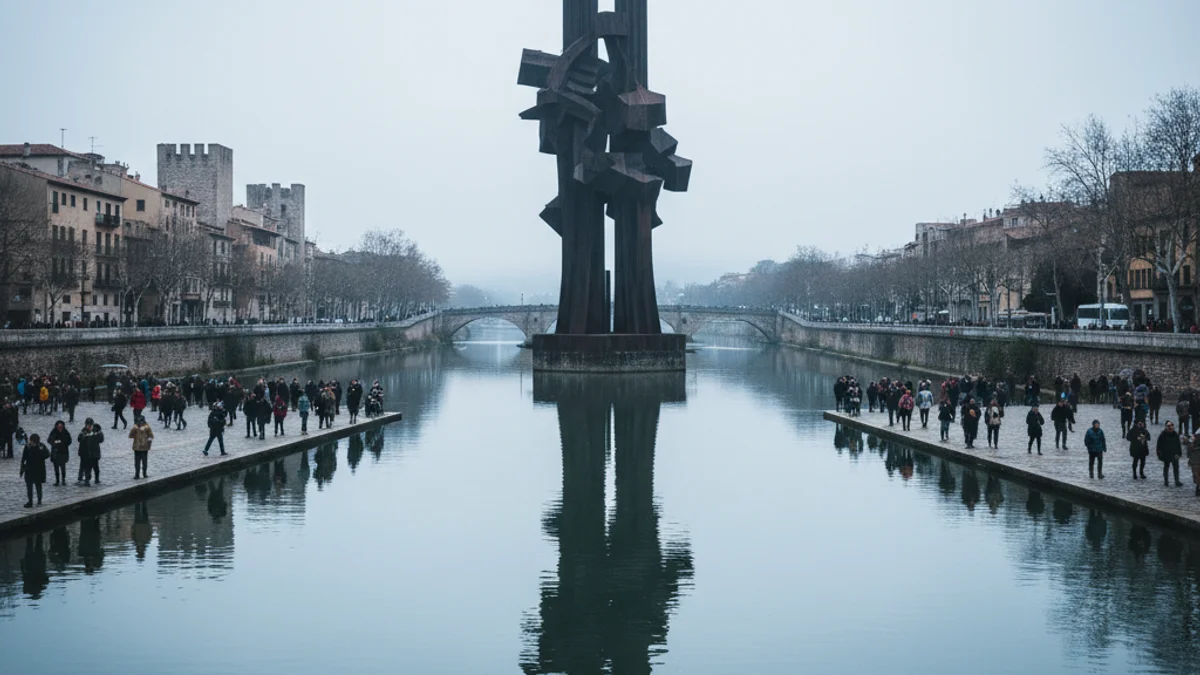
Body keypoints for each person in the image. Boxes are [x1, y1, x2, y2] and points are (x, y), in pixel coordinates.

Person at [19, 433, 50, 508]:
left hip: (39, 469)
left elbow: (47, 454)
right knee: (29, 486)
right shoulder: (27, 447)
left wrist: (40, 451)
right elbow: (24, 458)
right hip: (29, 469)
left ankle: (39, 500)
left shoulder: (41, 446)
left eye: (32, 441)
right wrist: (22, 468)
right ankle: (30, 501)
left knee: (38, 485)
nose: (31, 442)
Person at [77, 418, 104, 486]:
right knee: (86, 467)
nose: (88, 426)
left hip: (94, 453)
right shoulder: (83, 431)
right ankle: (86, 480)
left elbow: (101, 440)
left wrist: (98, 434)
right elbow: (79, 439)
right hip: (85, 453)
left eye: (89, 425)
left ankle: (96, 479)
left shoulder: (96, 430)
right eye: (87, 425)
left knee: (95, 467)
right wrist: (83, 436)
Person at [1157, 421, 1184, 487]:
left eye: (1171, 425)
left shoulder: (1175, 434)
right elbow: (1159, 446)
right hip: (1166, 454)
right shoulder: (1163, 435)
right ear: (1166, 427)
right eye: (1169, 426)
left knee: (1176, 467)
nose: (1170, 427)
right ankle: (1166, 481)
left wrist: (1179, 453)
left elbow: (1178, 445)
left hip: (1175, 454)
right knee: (1166, 467)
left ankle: (1177, 481)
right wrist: (1159, 454)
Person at [48, 420, 71, 486]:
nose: (60, 428)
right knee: (56, 467)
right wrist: (56, 442)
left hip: (63, 452)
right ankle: (57, 480)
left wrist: (63, 442)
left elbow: (69, 441)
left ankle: (63, 480)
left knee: (63, 467)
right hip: (55, 452)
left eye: (61, 427)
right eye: (59, 427)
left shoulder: (65, 432)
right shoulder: (53, 432)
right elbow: (49, 440)